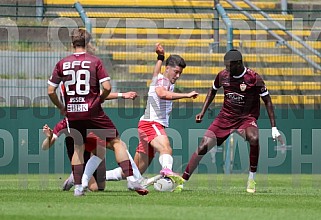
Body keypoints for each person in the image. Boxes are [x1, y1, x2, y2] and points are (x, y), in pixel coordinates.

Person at [47, 28, 147, 196]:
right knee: (117, 143)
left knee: (79, 147)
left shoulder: (62, 63)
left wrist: (61, 107)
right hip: (93, 112)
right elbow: (106, 88)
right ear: (88, 43)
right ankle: (131, 179)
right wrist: (99, 100)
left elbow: (51, 91)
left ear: (72, 44)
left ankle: (78, 187)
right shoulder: (95, 61)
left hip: (72, 112)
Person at [176, 49, 282, 193]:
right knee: (203, 146)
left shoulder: (254, 78)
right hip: (225, 117)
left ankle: (251, 179)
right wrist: (202, 111)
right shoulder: (223, 75)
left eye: (229, 66)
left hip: (246, 119)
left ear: (238, 64)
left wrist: (273, 127)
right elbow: (212, 90)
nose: (226, 69)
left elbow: (267, 101)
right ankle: (182, 181)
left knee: (254, 138)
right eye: (225, 65)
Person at [105, 43, 199, 186]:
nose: (178, 75)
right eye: (176, 72)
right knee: (166, 148)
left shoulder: (163, 78)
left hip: (148, 124)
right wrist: (186, 94)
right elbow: (161, 94)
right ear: (168, 69)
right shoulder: (161, 81)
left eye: (180, 73)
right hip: (150, 123)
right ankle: (167, 173)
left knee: (133, 171)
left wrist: (160, 57)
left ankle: (93, 176)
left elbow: (156, 72)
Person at [42, 91, 139, 192]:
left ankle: (131, 176)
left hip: (94, 152)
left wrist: (122, 95)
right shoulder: (65, 123)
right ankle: (76, 177)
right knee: (94, 188)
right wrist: (49, 138)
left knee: (101, 186)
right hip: (80, 157)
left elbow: (100, 94)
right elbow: (44, 147)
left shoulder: (92, 116)